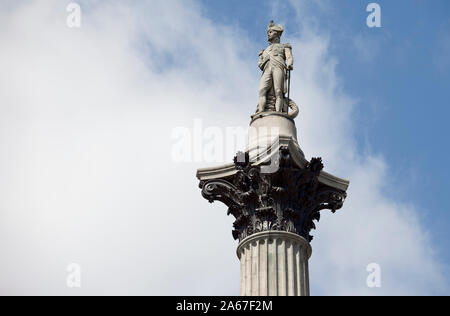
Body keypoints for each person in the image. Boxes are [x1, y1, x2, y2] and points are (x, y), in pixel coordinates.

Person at [257, 21, 293, 113]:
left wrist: (289, 64)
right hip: (267, 69)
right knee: (262, 90)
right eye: (268, 33)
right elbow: (260, 65)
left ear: (276, 33)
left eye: (270, 32)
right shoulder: (264, 51)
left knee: (278, 91)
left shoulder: (284, 47)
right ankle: (260, 112)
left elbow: (289, 57)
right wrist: (265, 59)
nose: (268, 34)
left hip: (278, 67)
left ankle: (278, 112)